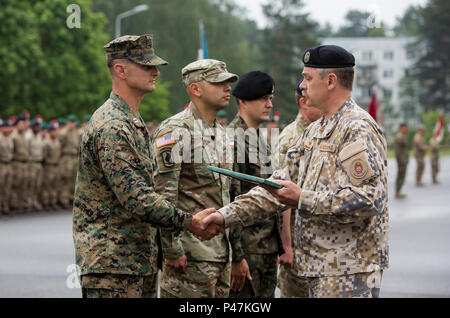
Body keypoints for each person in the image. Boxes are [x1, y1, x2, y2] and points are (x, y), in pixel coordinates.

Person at [203, 45, 389, 298]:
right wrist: (224, 216)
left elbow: (370, 198)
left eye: (308, 78)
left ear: (331, 81)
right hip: (317, 270)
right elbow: (275, 188)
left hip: (348, 272)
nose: (301, 85)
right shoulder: (313, 132)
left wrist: (302, 199)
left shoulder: (356, 129)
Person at [72, 35, 219, 299]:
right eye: (146, 66)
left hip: (135, 262)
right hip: (112, 266)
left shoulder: (130, 121)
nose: (155, 72)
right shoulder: (112, 125)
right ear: (120, 70)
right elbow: (136, 197)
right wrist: (189, 222)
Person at [152, 59, 238, 298]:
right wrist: (171, 249)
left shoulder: (221, 133)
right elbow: (163, 195)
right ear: (196, 89)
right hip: (188, 257)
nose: (227, 88)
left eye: (228, 82)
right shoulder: (175, 131)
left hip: (220, 256)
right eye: (219, 83)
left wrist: (234, 254)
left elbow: (227, 195)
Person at [226, 71, 284, 298]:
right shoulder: (235, 139)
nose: (269, 104)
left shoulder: (257, 138)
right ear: (242, 101)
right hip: (248, 251)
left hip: (265, 249)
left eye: (270, 98)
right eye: (262, 99)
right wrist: (236, 256)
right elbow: (230, 200)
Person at [276, 79, 322, 298]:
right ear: (303, 102)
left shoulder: (320, 132)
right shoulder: (291, 138)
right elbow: (280, 193)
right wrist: (286, 244)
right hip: (297, 243)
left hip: (317, 242)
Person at [58, 115, 80, 209]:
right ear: (68, 123)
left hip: (74, 156)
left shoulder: (76, 133)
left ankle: (71, 198)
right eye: (71, 122)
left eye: (73, 122)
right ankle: (64, 199)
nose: (72, 124)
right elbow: (60, 145)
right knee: (65, 178)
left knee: (73, 179)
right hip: (66, 157)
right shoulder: (63, 133)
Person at [11, 115, 30, 214]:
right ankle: (14, 205)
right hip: (16, 163)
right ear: (17, 125)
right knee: (16, 185)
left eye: (24, 124)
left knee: (24, 184)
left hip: (24, 163)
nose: (23, 126)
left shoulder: (25, 135)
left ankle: (21, 204)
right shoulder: (13, 136)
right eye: (21, 124)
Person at [42, 122, 62, 211]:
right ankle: (46, 203)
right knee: (48, 185)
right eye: (53, 131)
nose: (55, 132)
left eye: (55, 131)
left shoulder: (57, 141)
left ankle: (53, 202)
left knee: (55, 184)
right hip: (49, 166)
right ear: (49, 132)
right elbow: (44, 155)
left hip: (56, 165)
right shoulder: (46, 142)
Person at [28, 118, 44, 212]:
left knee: (38, 184)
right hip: (31, 163)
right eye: (35, 126)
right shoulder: (28, 137)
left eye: (38, 126)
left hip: (39, 162)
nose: (37, 128)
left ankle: (35, 202)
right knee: (31, 184)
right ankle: (29, 202)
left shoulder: (39, 136)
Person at [0, 118, 14, 215]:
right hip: (1, 164)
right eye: (6, 127)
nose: (8, 129)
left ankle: (5, 207)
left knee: (7, 187)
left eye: (9, 127)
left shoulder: (10, 138)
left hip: (8, 164)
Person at [394, 123, 409, 198]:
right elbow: (398, 151)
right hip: (401, 160)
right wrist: (401, 160)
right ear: (402, 128)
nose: (407, 129)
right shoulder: (399, 137)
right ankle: (397, 191)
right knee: (400, 176)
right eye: (405, 128)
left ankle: (398, 191)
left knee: (402, 176)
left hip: (403, 160)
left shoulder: (402, 136)